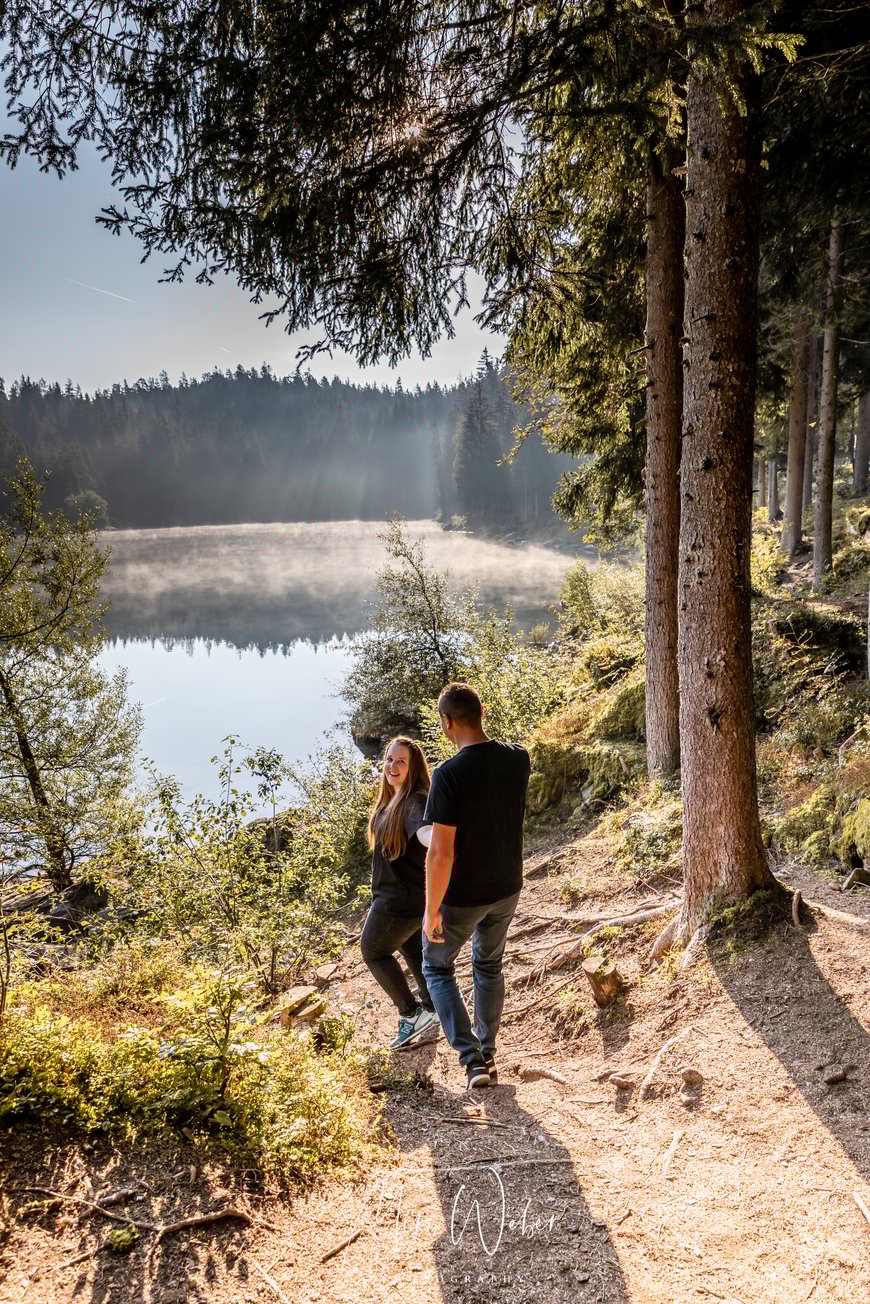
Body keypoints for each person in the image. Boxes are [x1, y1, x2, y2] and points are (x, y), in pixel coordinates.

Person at [422, 682, 531, 1088]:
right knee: (488, 964)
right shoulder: (518, 757)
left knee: (435, 965)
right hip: (507, 886)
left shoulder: (449, 774)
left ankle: (472, 1062)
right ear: (481, 712)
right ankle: (487, 1051)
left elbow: (441, 853)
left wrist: (432, 909)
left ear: (447, 722)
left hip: (463, 896)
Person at [360, 736, 441, 1050]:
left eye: (401, 762)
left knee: (373, 952)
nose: (393, 766)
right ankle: (435, 1007)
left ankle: (411, 1014)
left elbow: (424, 833)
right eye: (390, 760)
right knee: (413, 952)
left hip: (397, 900)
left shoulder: (414, 801)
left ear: (413, 768)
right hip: (404, 897)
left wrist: (439, 838)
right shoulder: (392, 799)